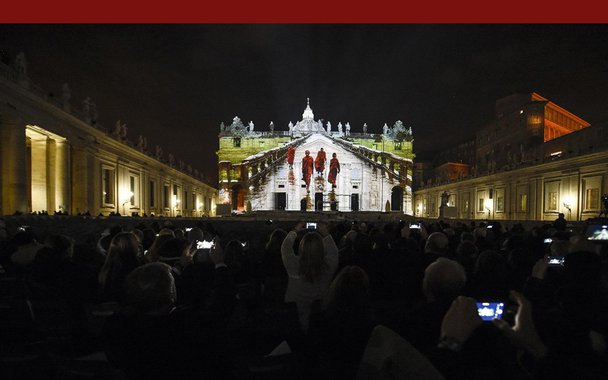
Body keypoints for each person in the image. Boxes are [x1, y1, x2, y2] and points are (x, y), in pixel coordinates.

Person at [280, 222, 338, 331]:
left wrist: (295, 231)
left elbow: (285, 248)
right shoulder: (328, 266)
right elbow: (334, 253)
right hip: (321, 316)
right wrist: (326, 234)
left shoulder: (293, 265)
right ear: (321, 248)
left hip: (295, 315)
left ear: (302, 247)